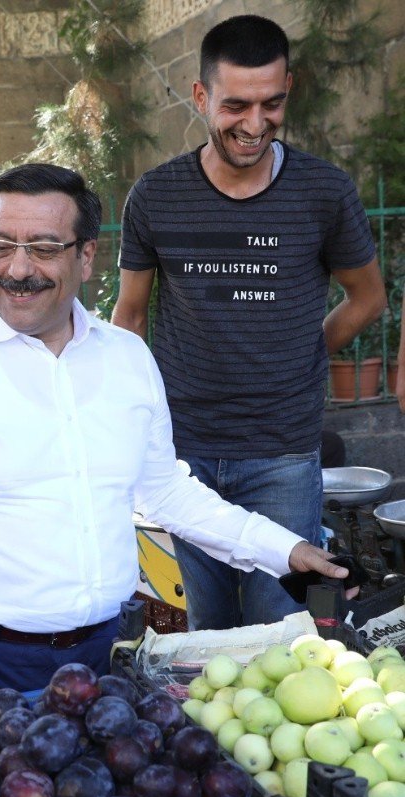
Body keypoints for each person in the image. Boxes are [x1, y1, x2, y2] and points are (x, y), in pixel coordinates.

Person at [0, 162, 349, 714]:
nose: (17, 268)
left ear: (86, 256)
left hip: (110, 664)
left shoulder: (128, 360)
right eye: (2, 245)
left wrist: (283, 549)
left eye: (43, 248)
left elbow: (165, 492)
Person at [112, 15, 386, 630]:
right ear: (201, 95)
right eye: (236, 105)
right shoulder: (155, 196)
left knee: (287, 633)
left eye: (272, 103)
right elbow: (128, 317)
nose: (255, 124)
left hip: (284, 452)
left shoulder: (324, 191)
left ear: (287, 87)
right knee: (209, 634)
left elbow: (367, 299)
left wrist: (302, 353)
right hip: (185, 456)